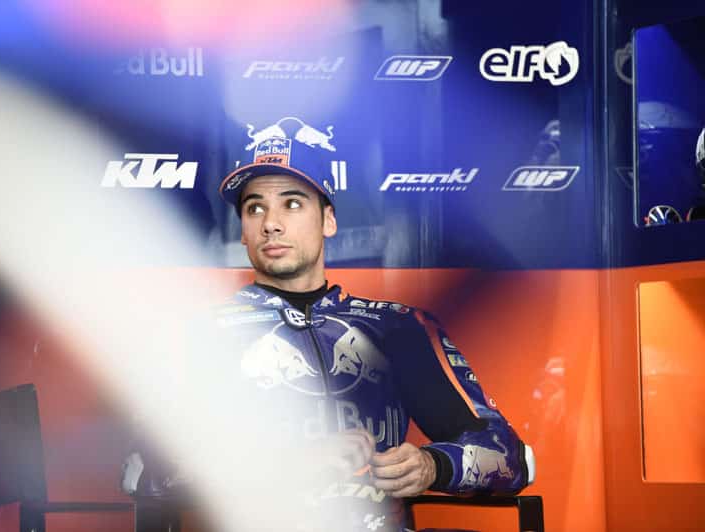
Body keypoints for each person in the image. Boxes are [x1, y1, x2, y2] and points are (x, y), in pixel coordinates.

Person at [123, 136, 535, 531]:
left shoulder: (397, 327)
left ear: (329, 220)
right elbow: (140, 468)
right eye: (255, 208)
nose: (271, 224)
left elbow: (512, 458)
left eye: (292, 204)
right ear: (243, 231)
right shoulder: (202, 334)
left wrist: (433, 466)